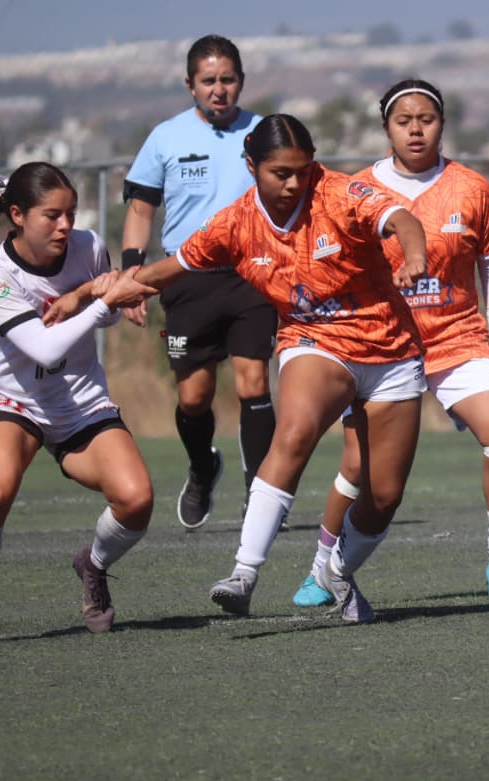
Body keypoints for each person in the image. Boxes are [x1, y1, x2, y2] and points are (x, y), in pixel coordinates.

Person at [123, 114, 429, 624]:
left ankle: (337, 573)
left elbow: (402, 219)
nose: (293, 183)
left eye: (302, 170)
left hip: (391, 351)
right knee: (295, 431)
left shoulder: (339, 194)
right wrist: (115, 287)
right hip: (315, 341)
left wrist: (413, 255)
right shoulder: (234, 222)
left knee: (383, 496)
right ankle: (243, 573)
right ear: (252, 167)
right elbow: (173, 268)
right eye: (280, 172)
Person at [290, 78, 489, 608]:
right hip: (384, 347)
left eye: (427, 119)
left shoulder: (473, 188)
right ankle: (319, 571)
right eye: (404, 121)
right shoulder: (357, 190)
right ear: (386, 128)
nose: (416, 129)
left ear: (442, 124)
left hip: (458, 339)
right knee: (357, 467)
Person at [0, 162, 154, 648]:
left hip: (80, 402)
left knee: (137, 500)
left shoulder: (90, 246)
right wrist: (96, 299)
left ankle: (92, 565)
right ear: (17, 214)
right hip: (14, 400)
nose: (65, 226)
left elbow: (109, 319)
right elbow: (45, 347)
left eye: (71, 214)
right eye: (52, 215)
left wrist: (92, 293)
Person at [122, 34, 277, 530]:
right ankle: (203, 466)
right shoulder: (165, 138)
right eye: (208, 81)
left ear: (241, 83)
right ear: (189, 85)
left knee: (254, 382)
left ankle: (260, 491)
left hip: (252, 276)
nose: (218, 89)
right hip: (186, 278)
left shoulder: (265, 133)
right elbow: (141, 210)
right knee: (193, 397)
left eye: (227, 80)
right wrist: (133, 274)